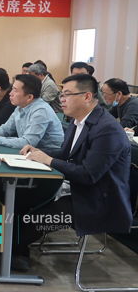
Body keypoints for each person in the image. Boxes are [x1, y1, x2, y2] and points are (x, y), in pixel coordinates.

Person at [16, 74, 132, 269]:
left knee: (30, 221)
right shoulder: (77, 121)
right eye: (61, 94)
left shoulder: (108, 129)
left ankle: (4, 253)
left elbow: (88, 175)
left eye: (67, 95)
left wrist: (49, 160)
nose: (62, 99)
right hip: (75, 189)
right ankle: (1, 248)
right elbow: (65, 154)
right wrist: (39, 152)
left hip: (96, 201)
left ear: (87, 96)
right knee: (13, 199)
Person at [0, 74, 64, 149]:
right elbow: (5, 129)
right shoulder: (20, 107)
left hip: (48, 154)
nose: (10, 93)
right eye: (12, 89)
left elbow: (28, 142)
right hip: (31, 152)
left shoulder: (41, 111)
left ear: (29, 97)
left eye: (15, 90)